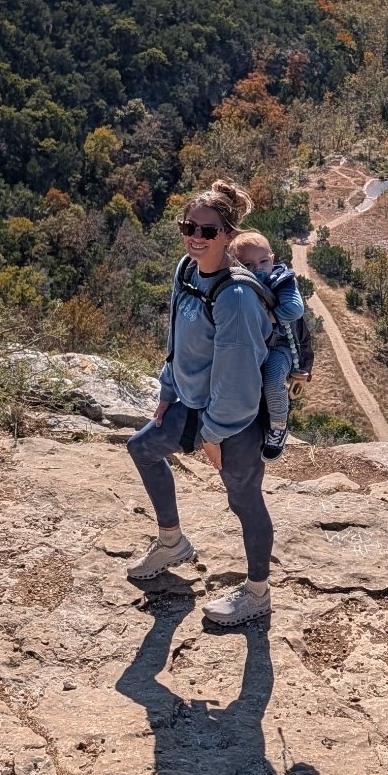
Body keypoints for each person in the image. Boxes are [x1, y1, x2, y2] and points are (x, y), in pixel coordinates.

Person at [125, 180, 276, 631]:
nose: (195, 236)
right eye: (188, 226)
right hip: (189, 404)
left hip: (236, 420)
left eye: (207, 231)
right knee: (143, 447)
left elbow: (240, 380)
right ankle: (172, 542)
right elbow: (178, 339)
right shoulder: (186, 271)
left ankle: (257, 594)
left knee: (244, 499)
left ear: (228, 236)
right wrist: (167, 389)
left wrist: (213, 434)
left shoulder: (236, 297)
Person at [230, 228, 309, 458]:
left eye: (263, 261)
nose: (258, 269)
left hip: (279, 346)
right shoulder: (237, 285)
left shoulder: (282, 280)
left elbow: (295, 309)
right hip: (249, 347)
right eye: (249, 265)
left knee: (274, 382)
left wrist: (269, 318)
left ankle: (278, 427)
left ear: (272, 259)